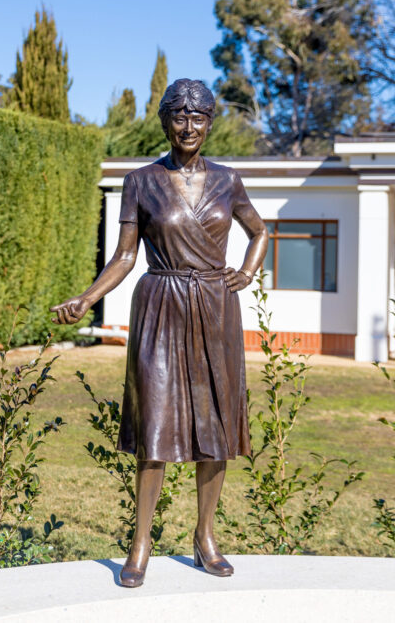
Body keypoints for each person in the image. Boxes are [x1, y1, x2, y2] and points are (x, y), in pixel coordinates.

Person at [51, 78, 268, 588]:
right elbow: (126, 256)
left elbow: (258, 231)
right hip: (162, 305)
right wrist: (86, 297)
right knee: (155, 426)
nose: (188, 127)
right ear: (165, 121)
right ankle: (140, 543)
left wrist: (247, 271)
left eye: (199, 118)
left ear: (210, 123)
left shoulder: (229, 180)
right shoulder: (140, 181)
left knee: (213, 428)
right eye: (179, 116)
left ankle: (205, 537)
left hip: (216, 309)